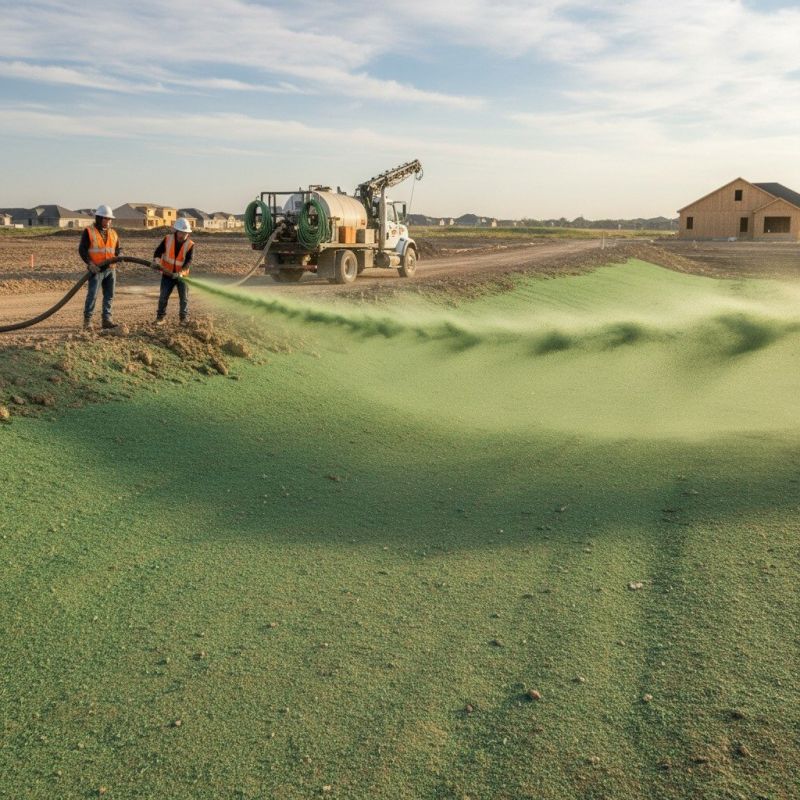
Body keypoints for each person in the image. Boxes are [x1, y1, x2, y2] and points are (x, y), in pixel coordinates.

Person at [79, 204, 120, 330]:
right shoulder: (89, 231)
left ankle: (106, 320)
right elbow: (82, 250)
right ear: (99, 218)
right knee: (92, 295)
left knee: (109, 295)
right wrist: (90, 264)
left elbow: (117, 249)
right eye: (106, 219)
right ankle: (88, 321)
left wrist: (120, 254)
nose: (108, 221)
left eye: (110, 219)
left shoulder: (113, 233)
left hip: (110, 269)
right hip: (96, 270)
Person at [153, 217, 194, 325]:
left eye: (186, 233)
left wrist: (181, 272)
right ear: (176, 231)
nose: (184, 235)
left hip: (182, 276)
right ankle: (160, 318)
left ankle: (183, 319)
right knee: (163, 297)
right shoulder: (168, 239)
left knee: (184, 299)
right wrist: (156, 261)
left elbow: (189, 261)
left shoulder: (190, 244)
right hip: (167, 274)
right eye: (182, 232)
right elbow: (158, 251)